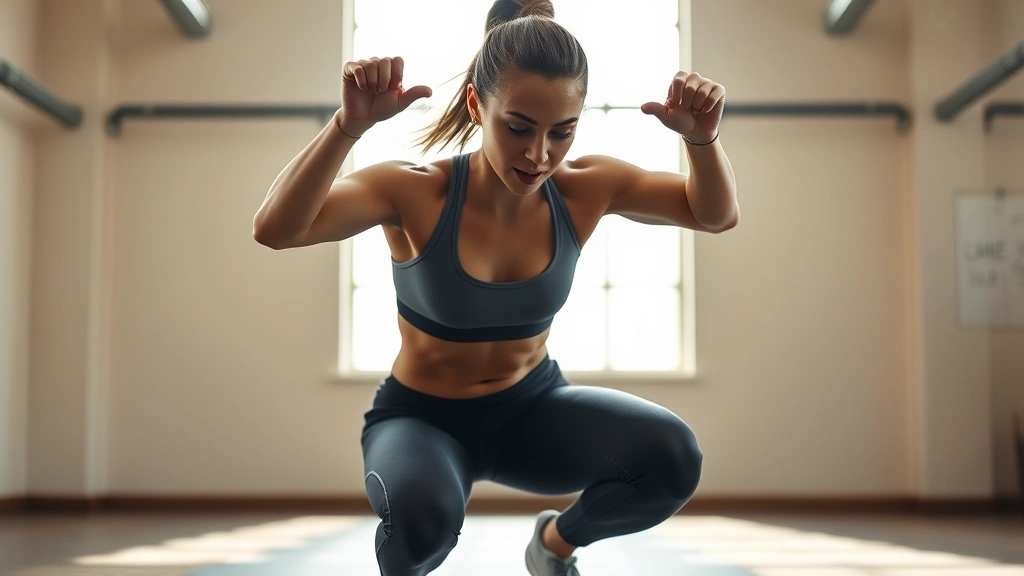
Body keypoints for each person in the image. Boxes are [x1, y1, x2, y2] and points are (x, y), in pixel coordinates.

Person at [253, 0, 738, 573]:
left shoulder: (587, 188)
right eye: (518, 128)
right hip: (423, 421)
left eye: (563, 132)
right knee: (420, 521)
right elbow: (277, 230)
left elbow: (713, 215)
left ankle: (554, 546)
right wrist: (347, 127)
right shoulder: (415, 192)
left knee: (672, 457)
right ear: (476, 103)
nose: (539, 155)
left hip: (532, 412)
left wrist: (702, 141)